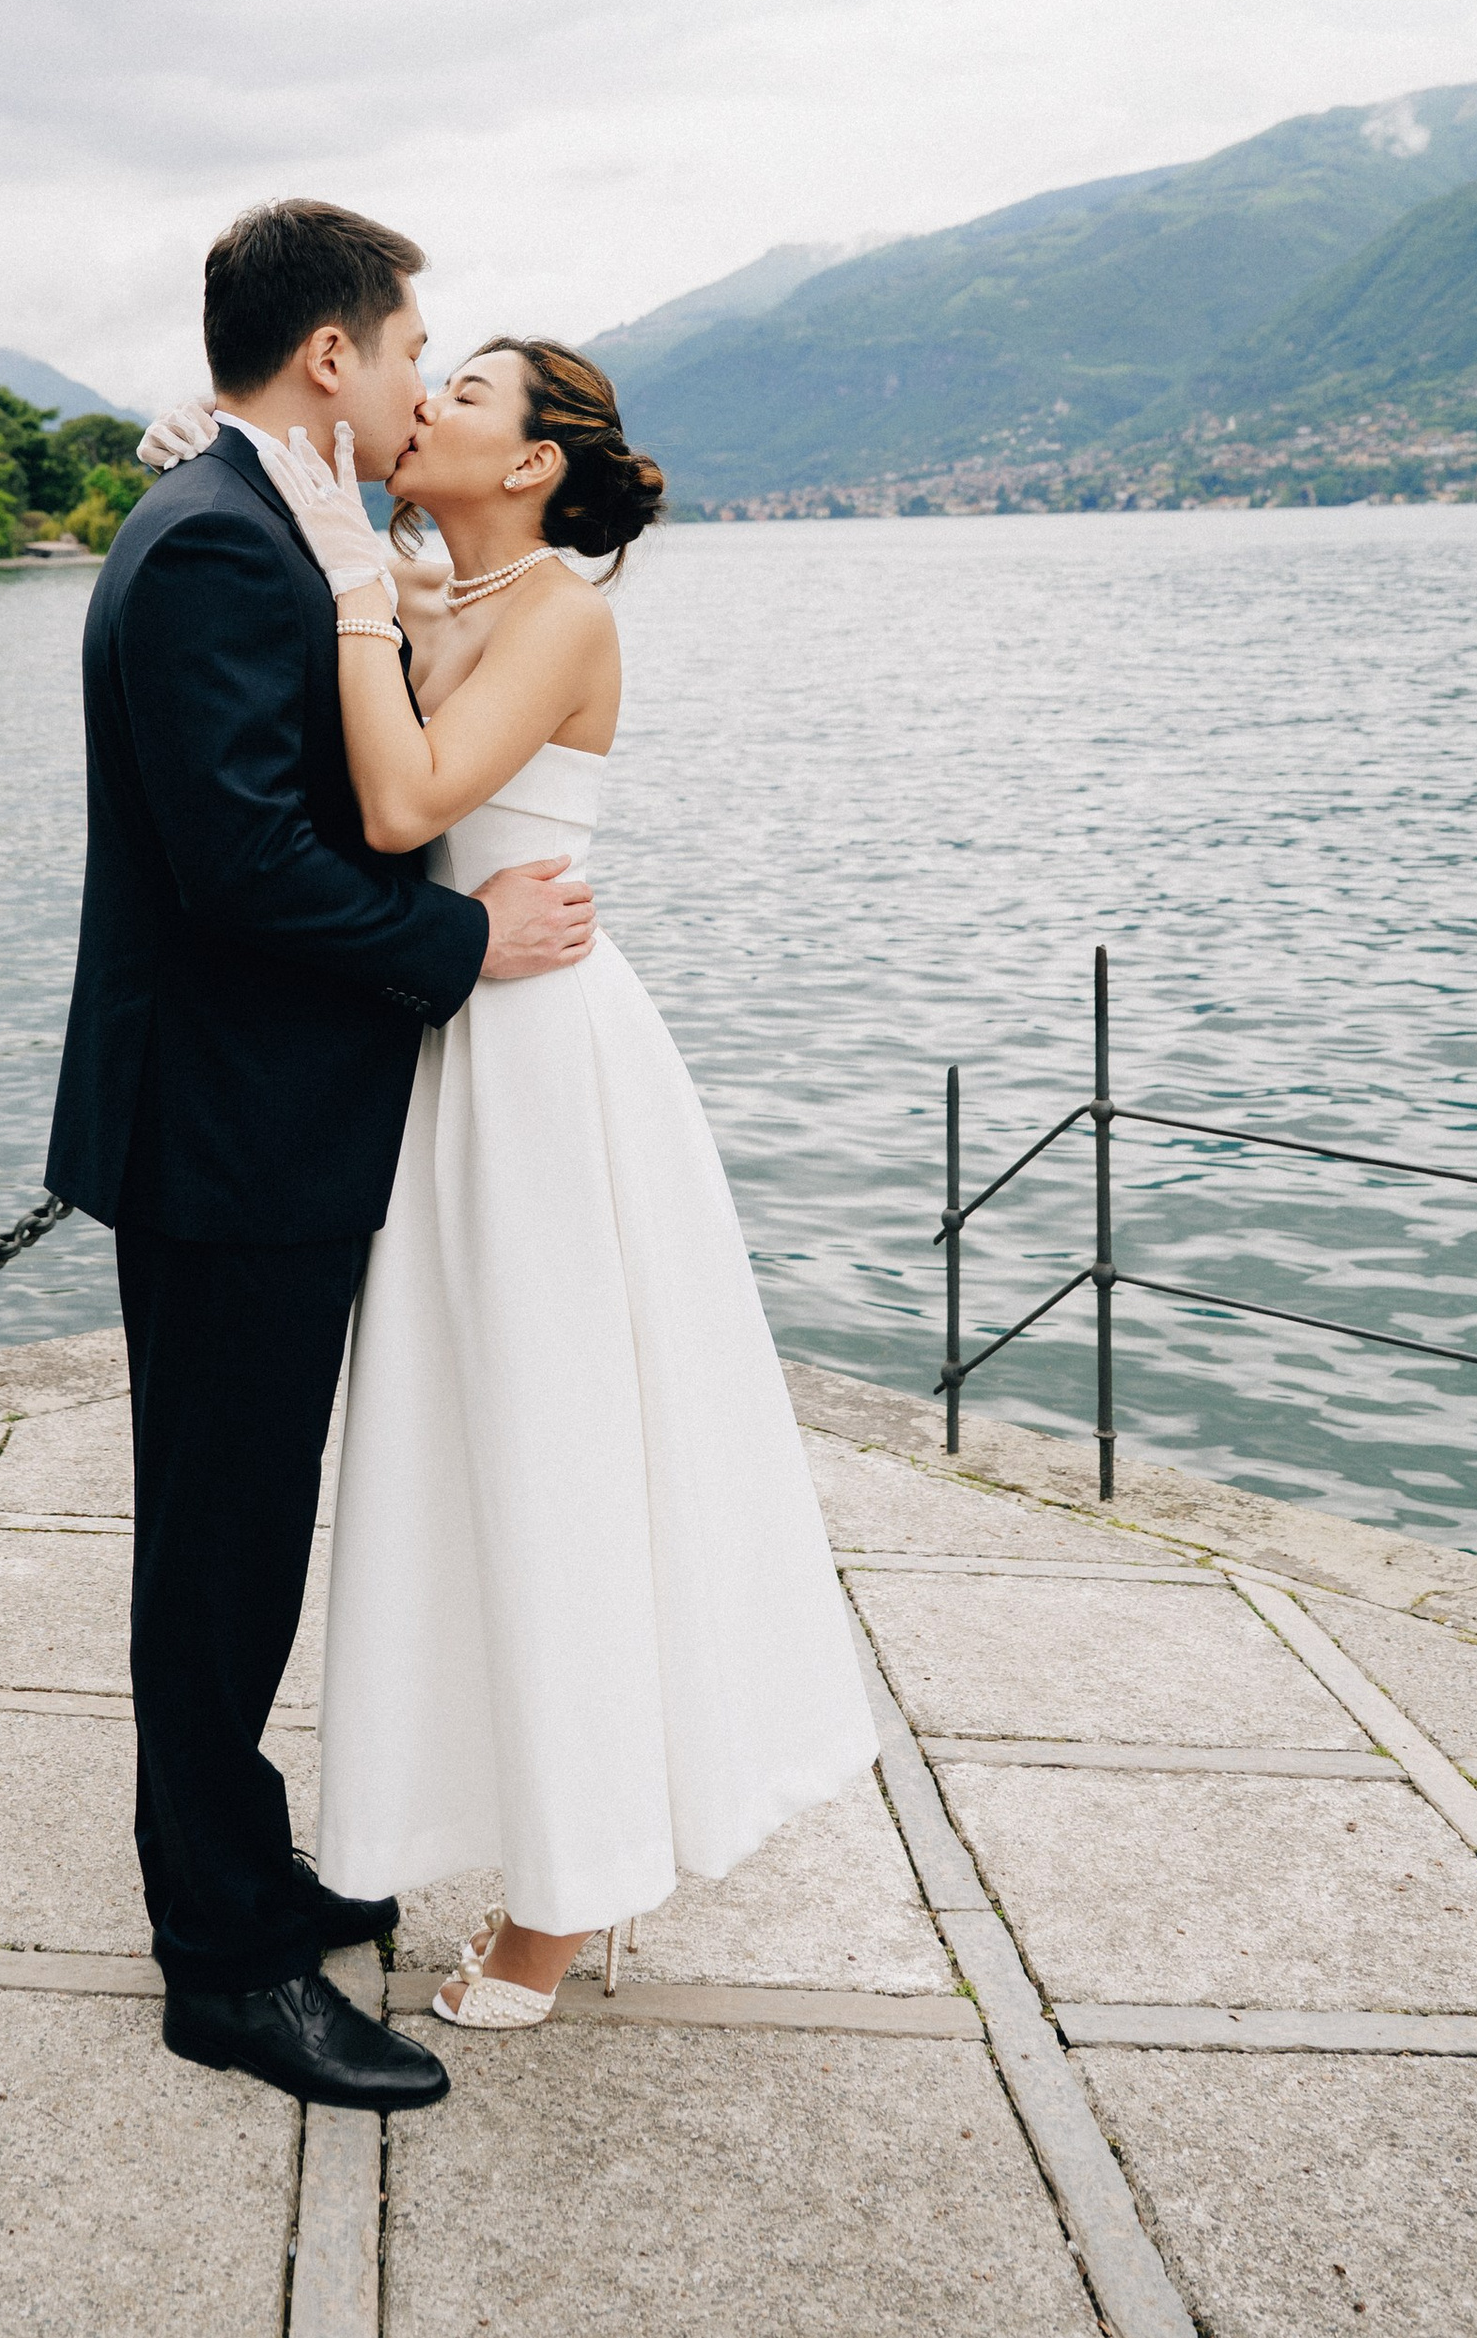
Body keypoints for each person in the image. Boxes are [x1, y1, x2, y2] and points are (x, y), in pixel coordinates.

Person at [44, 201, 602, 2114]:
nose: (418, 369)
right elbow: (244, 867)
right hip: (226, 1128)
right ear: (330, 361)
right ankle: (224, 1965)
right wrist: (466, 945)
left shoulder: (257, 517)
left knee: (246, 1522)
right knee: (216, 1546)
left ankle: (251, 1862)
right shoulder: (216, 542)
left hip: (255, 1114)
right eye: (407, 341)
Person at [253, 337, 878, 2025]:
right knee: (446, 1450)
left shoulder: (561, 617)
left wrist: (354, 594)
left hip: (540, 1067)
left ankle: (566, 1900)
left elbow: (402, 806)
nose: (425, 405)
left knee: (559, 1449)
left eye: (464, 394)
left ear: (534, 464)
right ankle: (441, 1813)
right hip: (445, 1048)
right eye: (426, 380)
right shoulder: (422, 586)